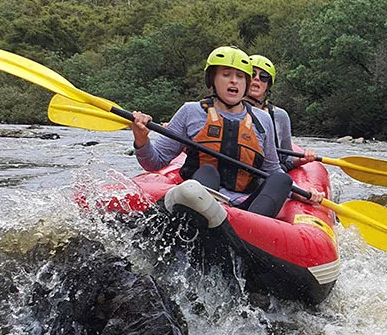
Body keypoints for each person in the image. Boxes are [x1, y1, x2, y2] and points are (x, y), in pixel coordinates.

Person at [130, 46, 320, 218]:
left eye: (240, 76)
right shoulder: (190, 112)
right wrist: (141, 139)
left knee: (281, 179)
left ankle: (250, 231)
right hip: (200, 201)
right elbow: (155, 162)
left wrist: (298, 192)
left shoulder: (262, 120)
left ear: (246, 83)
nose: (234, 81)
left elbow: (271, 169)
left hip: (248, 207)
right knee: (207, 172)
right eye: (226, 74)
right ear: (212, 79)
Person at [244, 54, 318, 172]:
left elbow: (286, 158)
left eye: (264, 77)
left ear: (268, 85)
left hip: (267, 174)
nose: (257, 78)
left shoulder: (279, 115)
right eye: (252, 74)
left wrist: (302, 160)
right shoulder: (229, 110)